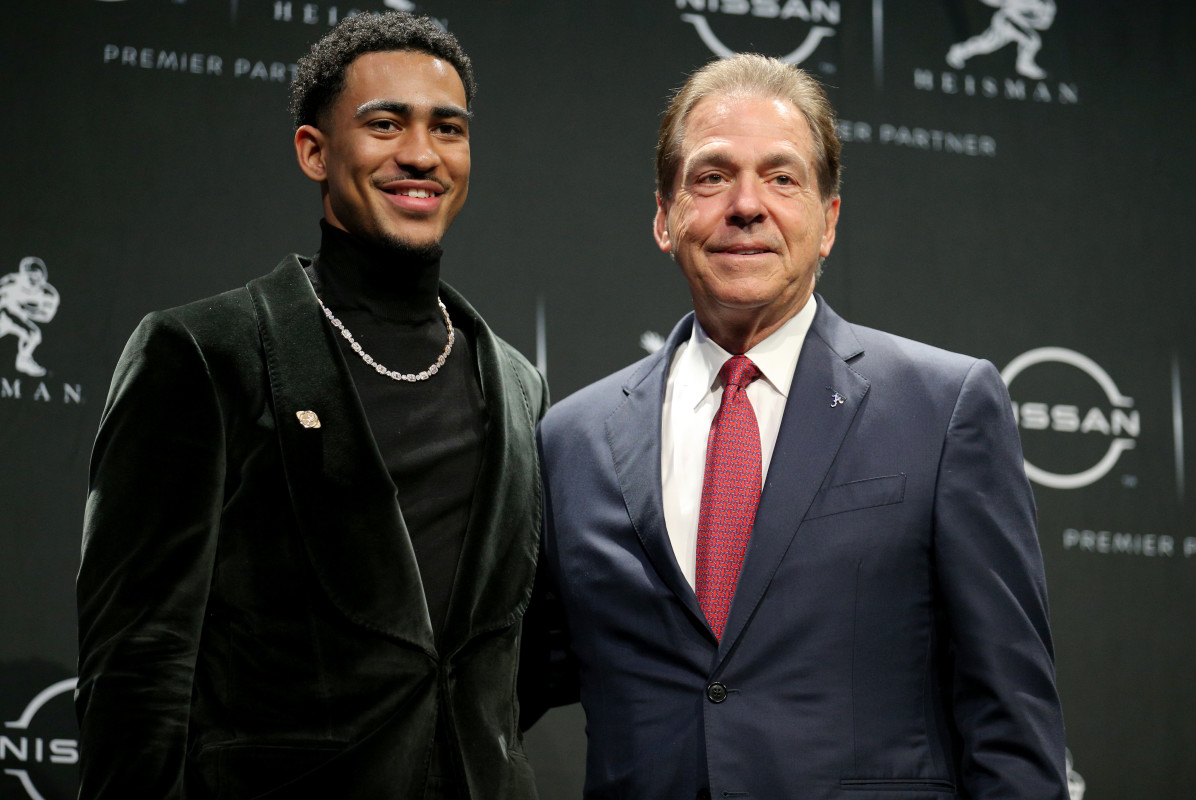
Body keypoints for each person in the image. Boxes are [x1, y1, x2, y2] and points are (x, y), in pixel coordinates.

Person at [531, 54, 1067, 799]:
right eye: (712, 177)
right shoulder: (571, 438)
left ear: (828, 221)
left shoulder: (945, 408)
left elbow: (1011, 716)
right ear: (663, 216)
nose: (746, 205)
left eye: (782, 178)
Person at [76, 12, 546, 799]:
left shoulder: (515, 382)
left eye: (448, 129)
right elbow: (139, 663)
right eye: (385, 124)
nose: (421, 154)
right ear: (315, 151)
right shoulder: (206, 351)